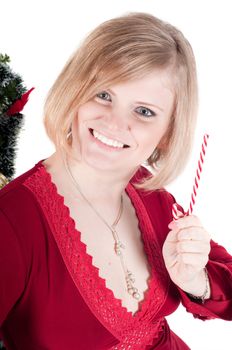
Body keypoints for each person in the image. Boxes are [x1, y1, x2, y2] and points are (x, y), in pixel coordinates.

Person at [0, 12, 232, 350]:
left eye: (144, 111)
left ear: (167, 132)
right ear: (76, 91)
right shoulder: (12, 221)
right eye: (103, 95)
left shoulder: (151, 194)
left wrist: (195, 279)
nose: (114, 122)